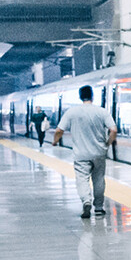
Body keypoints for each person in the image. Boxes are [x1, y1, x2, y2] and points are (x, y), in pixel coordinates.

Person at [51, 87, 116, 219]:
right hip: (99, 153)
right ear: (92, 96)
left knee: (82, 179)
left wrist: (55, 142)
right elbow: (113, 130)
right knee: (99, 180)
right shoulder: (102, 111)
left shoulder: (72, 112)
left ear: (80, 97)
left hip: (81, 154)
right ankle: (98, 207)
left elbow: (59, 130)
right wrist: (108, 144)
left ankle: (86, 201)